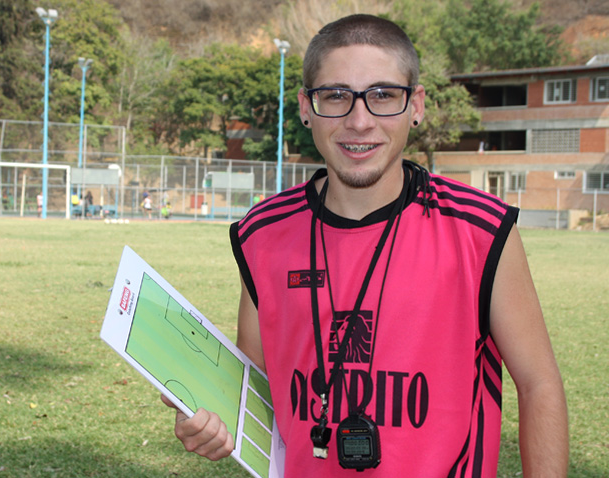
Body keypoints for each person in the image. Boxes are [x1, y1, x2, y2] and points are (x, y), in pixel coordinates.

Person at [163, 14, 568, 477]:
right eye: (336, 96)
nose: (359, 121)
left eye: (383, 95)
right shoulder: (262, 235)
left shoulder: (480, 231)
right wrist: (207, 416)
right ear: (306, 107)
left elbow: (539, 385)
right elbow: (253, 389)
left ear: (415, 105)